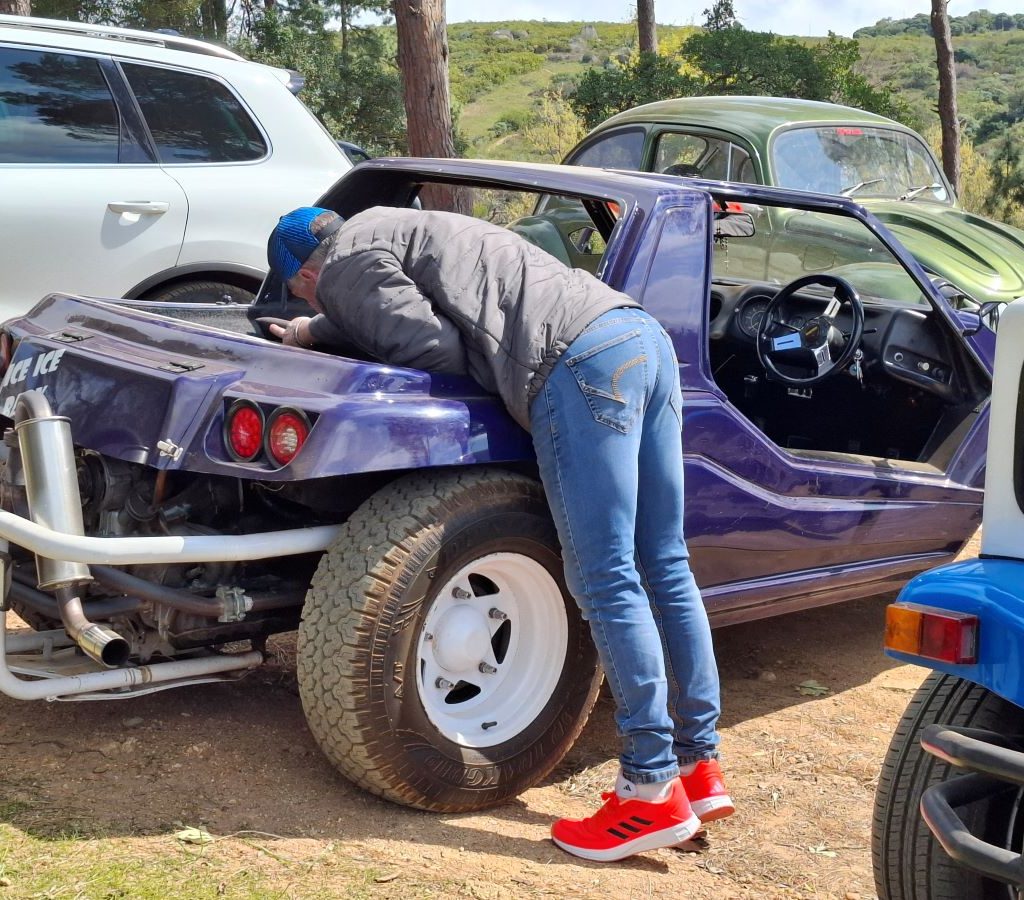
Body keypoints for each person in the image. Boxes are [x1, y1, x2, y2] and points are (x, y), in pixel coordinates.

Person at [266, 205, 733, 862]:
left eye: (302, 291)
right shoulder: (390, 224)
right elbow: (413, 297)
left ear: (306, 273)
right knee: (662, 561)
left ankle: (648, 791)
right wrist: (316, 329)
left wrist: (330, 327)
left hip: (576, 363)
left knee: (604, 576)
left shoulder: (339, 267)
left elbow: (432, 348)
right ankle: (698, 766)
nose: (313, 298)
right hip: (635, 335)